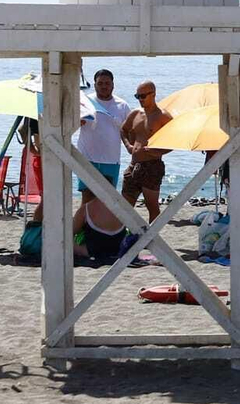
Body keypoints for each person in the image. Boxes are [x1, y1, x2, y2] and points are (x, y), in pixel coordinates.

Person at [73, 69, 130, 233]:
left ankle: (99, 234)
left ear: (113, 85)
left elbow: (129, 130)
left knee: (107, 201)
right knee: (87, 198)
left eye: (107, 83)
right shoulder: (85, 101)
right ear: (95, 84)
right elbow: (71, 123)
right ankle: (81, 234)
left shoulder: (122, 105)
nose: (104, 87)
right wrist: (77, 122)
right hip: (87, 159)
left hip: (111, 161)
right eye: (100, 83)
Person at [120, 80, 172, 222]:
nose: (140, 99)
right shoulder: (135, 114)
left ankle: (152, 239)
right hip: (133, 165)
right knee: (124, 206)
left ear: (153, 94)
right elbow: (123, 130)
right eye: (137, 96)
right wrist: (128, 146)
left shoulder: (163, 116)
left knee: (152, 206)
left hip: (152, 166)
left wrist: (159, 152)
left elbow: (175, 140)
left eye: (143, 96)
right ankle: (127, 237)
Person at [74, 195, 128, 260]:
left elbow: (71, 231)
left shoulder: (86, 209)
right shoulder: (123, 207)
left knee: (69, 244)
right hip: (117, 250)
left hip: (94, 252)